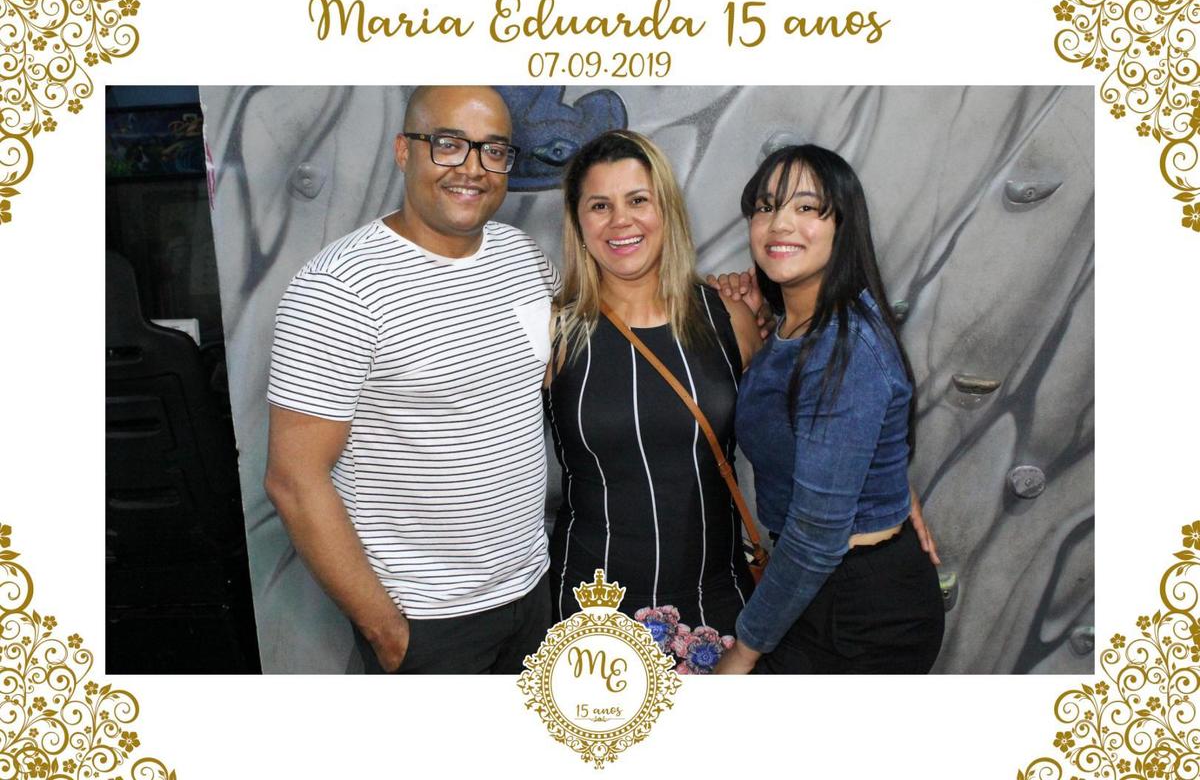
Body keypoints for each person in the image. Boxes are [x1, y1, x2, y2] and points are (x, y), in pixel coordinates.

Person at [263, 86, 559, 674]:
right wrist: (389, 633)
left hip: (532, 590)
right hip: (424, 622)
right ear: (404, 151)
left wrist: (719, 299)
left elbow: (564, 370)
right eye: (448, 144)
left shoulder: (523, 258)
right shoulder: (338, 288)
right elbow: (294, 481)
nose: (472, 168)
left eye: (493, 150)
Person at [715, 144, 945, 674]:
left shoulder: (841, 346)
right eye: (766, 207)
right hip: (818, 589)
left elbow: (818, 536)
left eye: (806, 208)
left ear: (843, 224)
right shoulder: (802, 324)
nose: (780, 223)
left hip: (860, 612)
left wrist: (743, 652)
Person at [546, 130, 762, 646]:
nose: (621, 220)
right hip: (592, 610)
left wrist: (890, 493)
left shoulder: (729, 317)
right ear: (579, 222)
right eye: (600, 205)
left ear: (667, 209)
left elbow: (794, 440)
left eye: (638, 200)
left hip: (718, 601)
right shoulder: (553, 330)